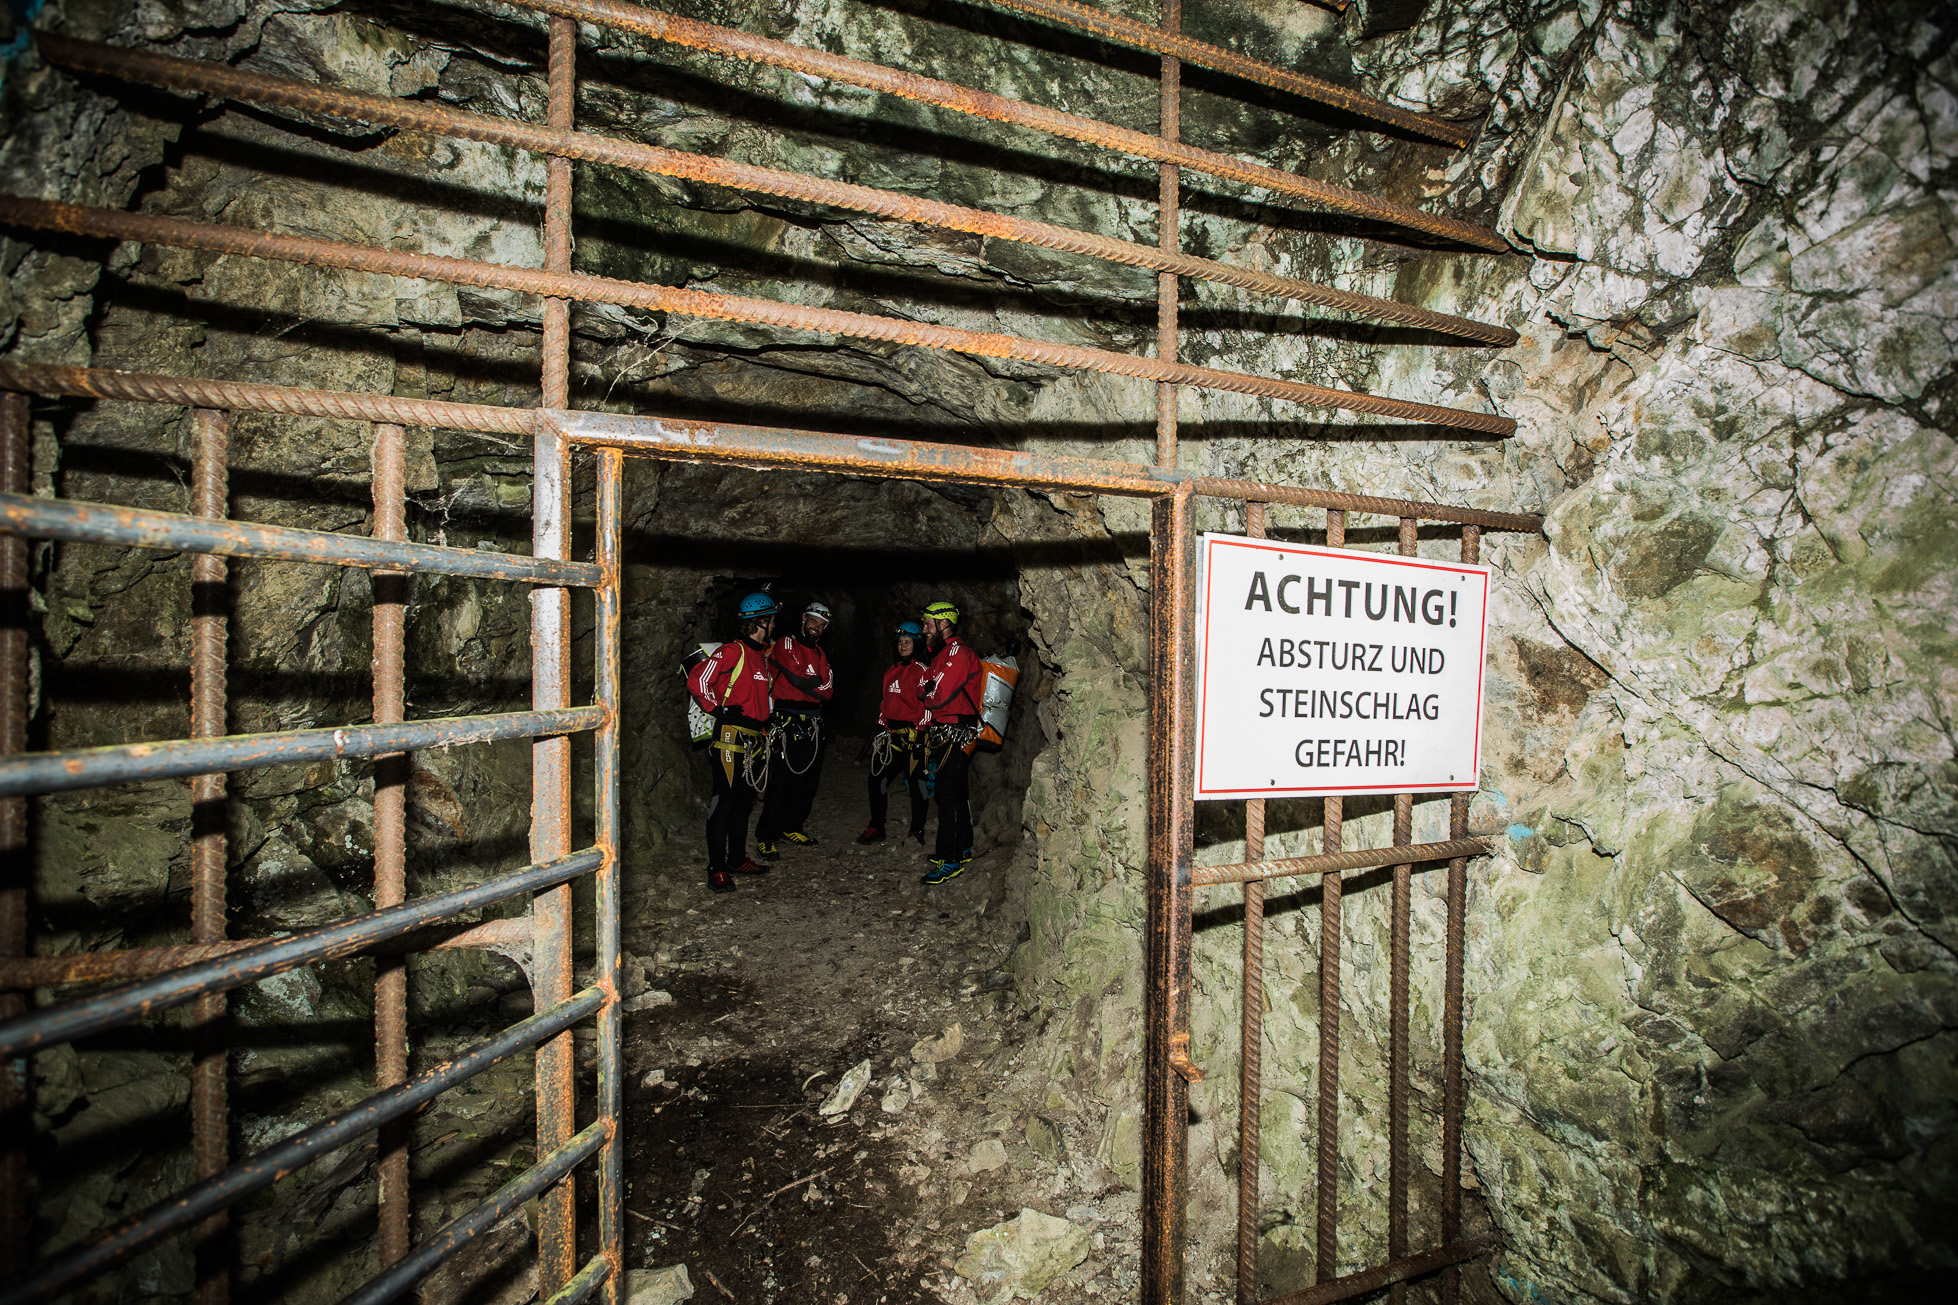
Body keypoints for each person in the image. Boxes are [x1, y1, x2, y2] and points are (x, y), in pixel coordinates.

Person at [686, 592, 779, 893]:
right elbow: (698, 680)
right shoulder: (732, 651)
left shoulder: (761, 658)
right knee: (724, 801)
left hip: (753, 739)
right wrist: (717, 708)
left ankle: (737, 858)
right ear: (761, 622)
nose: (774, 625)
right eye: (772, 620)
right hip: (730, 738)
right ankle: (716, 869)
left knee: (743, 802)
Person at [755, 600, 834, 857]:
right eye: (813, 621)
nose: (816, 627)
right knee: (780, 780)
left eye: (822, 625)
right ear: (803, 619)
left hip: (812, 722)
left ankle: (792, 826)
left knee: (807, 780)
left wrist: (807, 683)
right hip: (786, 718)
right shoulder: (786, 644)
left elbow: (828, 693)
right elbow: (797, 678)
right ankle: (766, 835)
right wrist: (812, 682)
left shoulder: (821, 654)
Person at [917, 599, 982, 885]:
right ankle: (963, 847)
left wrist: (929, 692)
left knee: (947, 794)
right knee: (955, 791)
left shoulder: (958, 652)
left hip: (956, 731)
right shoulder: (941, 655)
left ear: (944, 624)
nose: (924, 629)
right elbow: (924, 685)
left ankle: (950, 858)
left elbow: (937, 694)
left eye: (928, 624)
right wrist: (928, 690)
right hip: (947, 730)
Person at [858, 619, 930, 846]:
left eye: (907, 641)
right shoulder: (891, 671)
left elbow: (929, 706)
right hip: (891, 736)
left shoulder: (923, 671)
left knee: (917, 783)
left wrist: (920, 734)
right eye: (900, 642)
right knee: (876, 780)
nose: (902, 646)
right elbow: (886, 704)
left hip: (913, 736)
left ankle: (917, 830)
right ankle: (876, 826)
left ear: (917, 643)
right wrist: (880, 726)